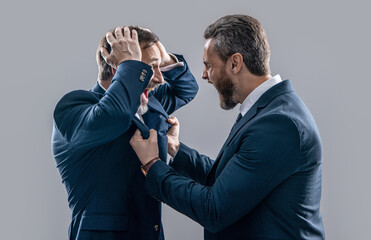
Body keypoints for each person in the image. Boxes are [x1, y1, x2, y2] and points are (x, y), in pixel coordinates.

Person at [130, 15, 325, 239]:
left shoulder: (279, 124)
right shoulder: (268, 110)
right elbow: (227, 181)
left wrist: (152, 165)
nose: (204, 75)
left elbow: (214, 209)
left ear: (235, 63)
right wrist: (176, 148)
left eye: (208, 65)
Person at [51, 26, 198, 240]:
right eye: (149, 68)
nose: (159, 78)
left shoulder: (148, 102)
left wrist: (164, 58)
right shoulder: (74, 107)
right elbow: (115, 116)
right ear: (117, 68)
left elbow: (186, 89)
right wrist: (129, 63)